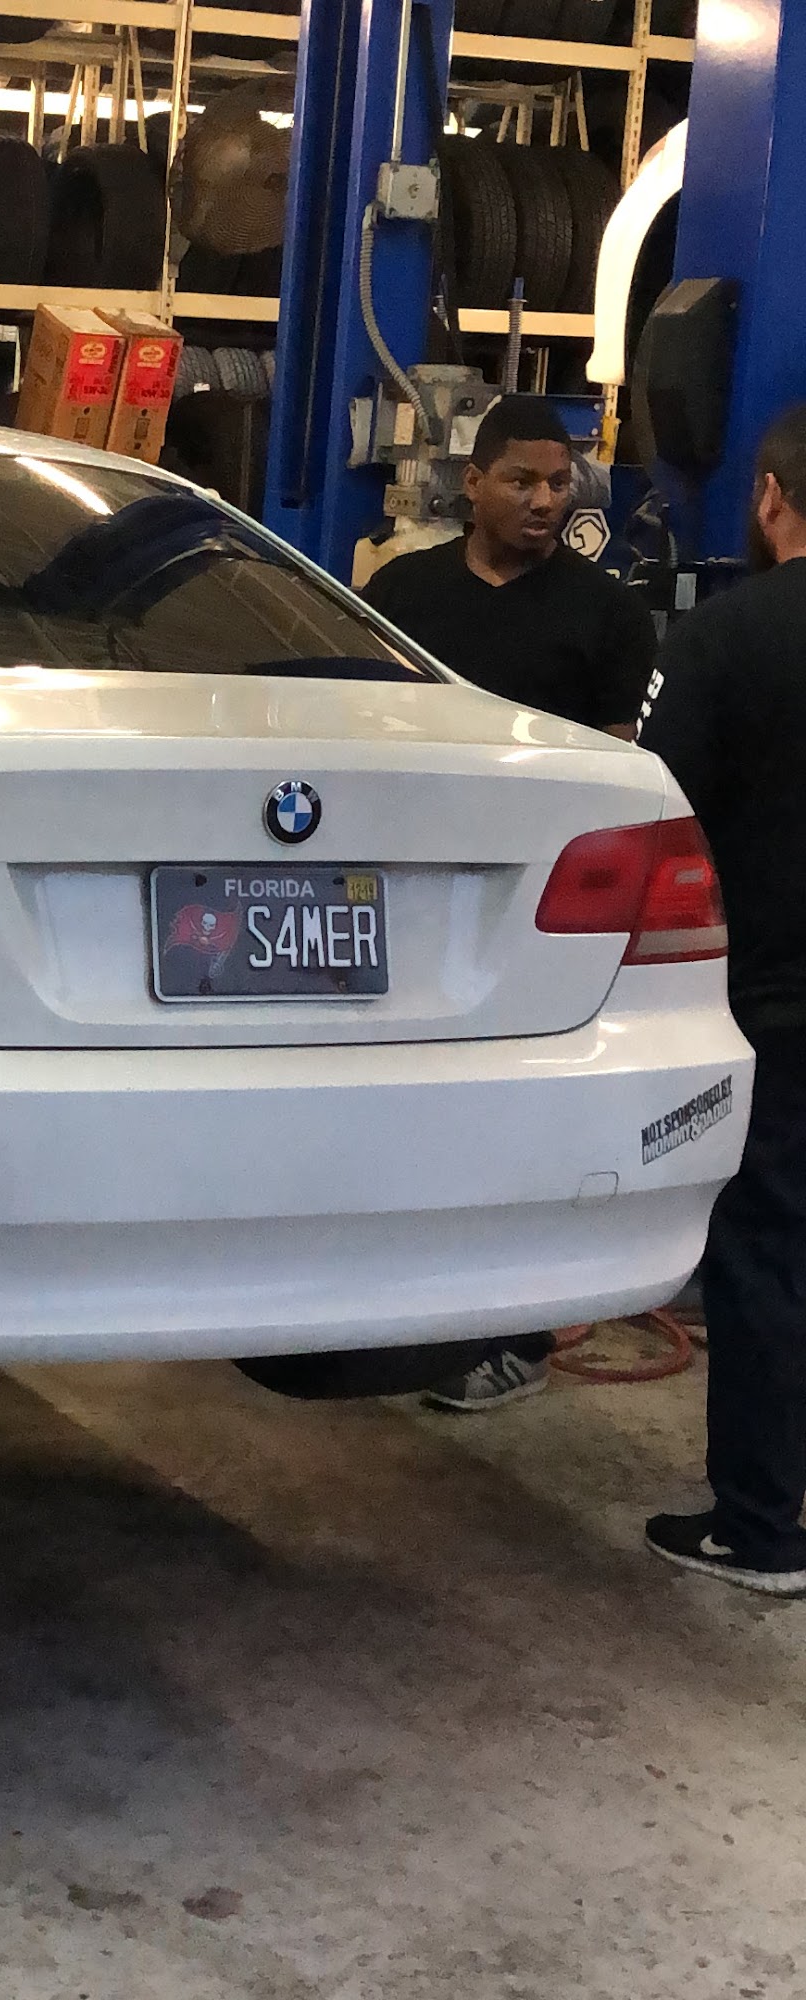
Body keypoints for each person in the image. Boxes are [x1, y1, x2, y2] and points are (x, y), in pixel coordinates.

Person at [363, 394, 659, 1412]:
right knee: (400, 1107)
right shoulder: (401, 594)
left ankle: (516, 1336)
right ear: (472, 482)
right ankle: (386, 1311)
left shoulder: (606, 614)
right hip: (404, 890)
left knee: (521, 1117)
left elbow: (616, 769)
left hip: (535, 905)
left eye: (559, 483)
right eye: (523, 480)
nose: (544, 500)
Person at [636, 405, 806, 1595]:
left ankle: (757, 1525)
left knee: (764, 1251)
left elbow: (655, 802)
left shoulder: (725, 638)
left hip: (773, 1000)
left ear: (766, 496)